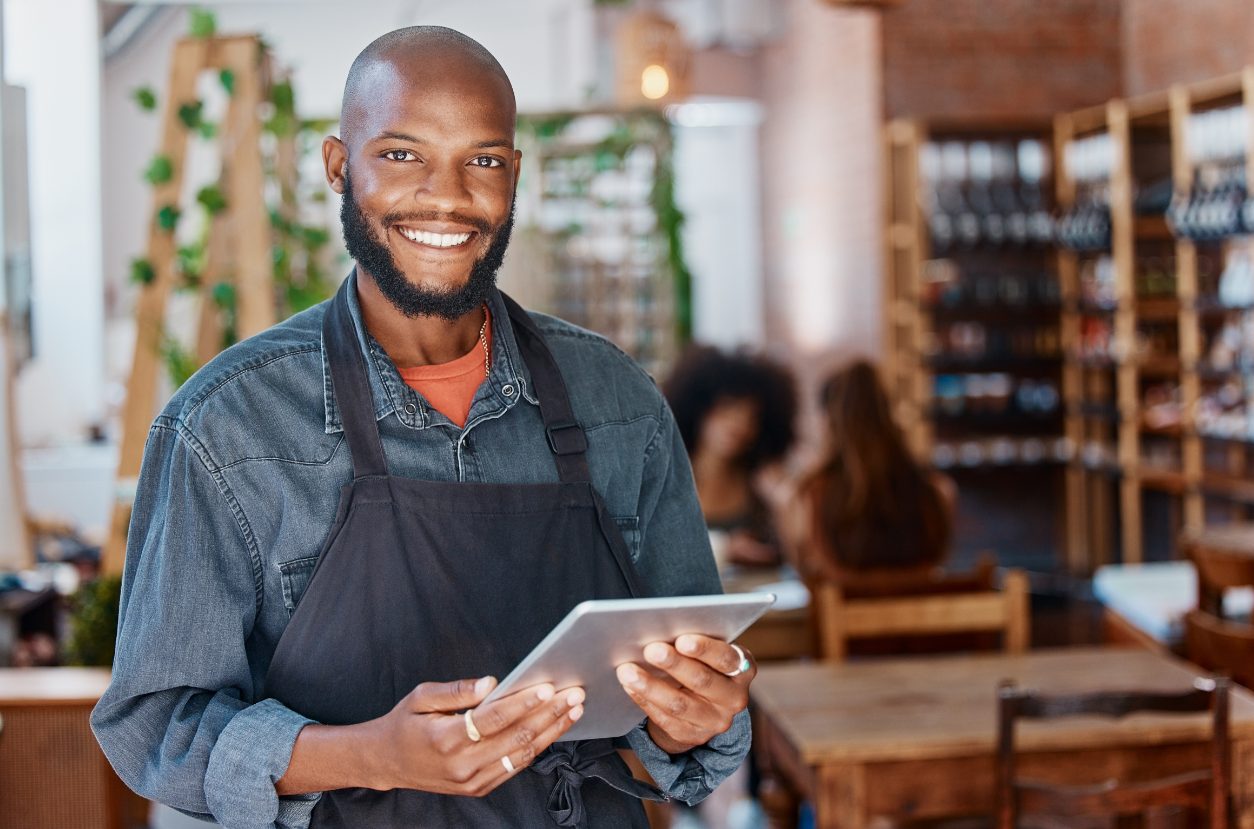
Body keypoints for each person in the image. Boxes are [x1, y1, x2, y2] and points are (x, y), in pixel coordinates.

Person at [92, 27, 753, 829]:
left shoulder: (620, 402)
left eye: (483, 160)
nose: (447, 195)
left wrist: (697, 716)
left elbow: (685, 707)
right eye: (403, 154)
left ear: (515, 176)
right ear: (339, 166)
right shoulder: (226, 427)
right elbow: (156, 724)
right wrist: (371, 752)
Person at [793, 358, 955, 582]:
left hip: (845, 616)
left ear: (829, 420)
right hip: (922, 614)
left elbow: (810, 573)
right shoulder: (936, 489)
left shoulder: (814, 492)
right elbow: (937, 562)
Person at [663, 345, 797, 569]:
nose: (740, 424)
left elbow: (797, 559)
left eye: (751, 416)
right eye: (728, 408)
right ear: (698, 408)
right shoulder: (666, 477)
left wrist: (784, 504)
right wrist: (726, 549)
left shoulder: (762, 482)